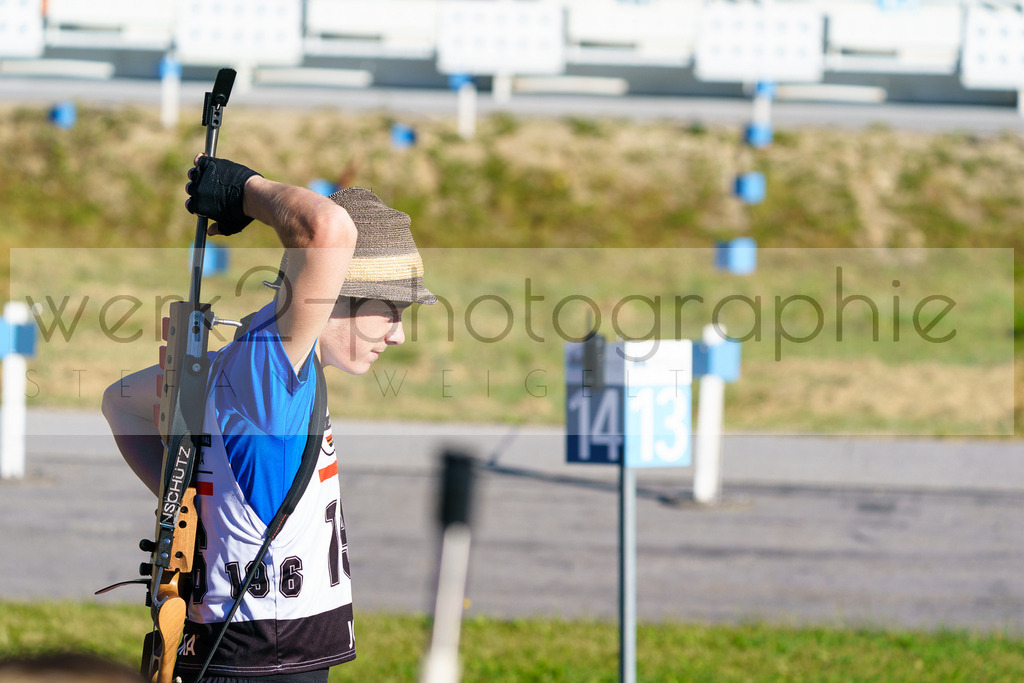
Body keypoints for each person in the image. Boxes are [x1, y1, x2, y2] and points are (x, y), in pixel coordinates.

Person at [102, 154, 436, 682]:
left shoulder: (240, 372)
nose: (397, 334)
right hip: (258, 664)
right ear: (331, 298)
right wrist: (244, 190)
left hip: (253, 655)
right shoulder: (264, 378)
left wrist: (189, 507)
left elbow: (119, 401)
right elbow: (326, 229)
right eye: (390, 311)